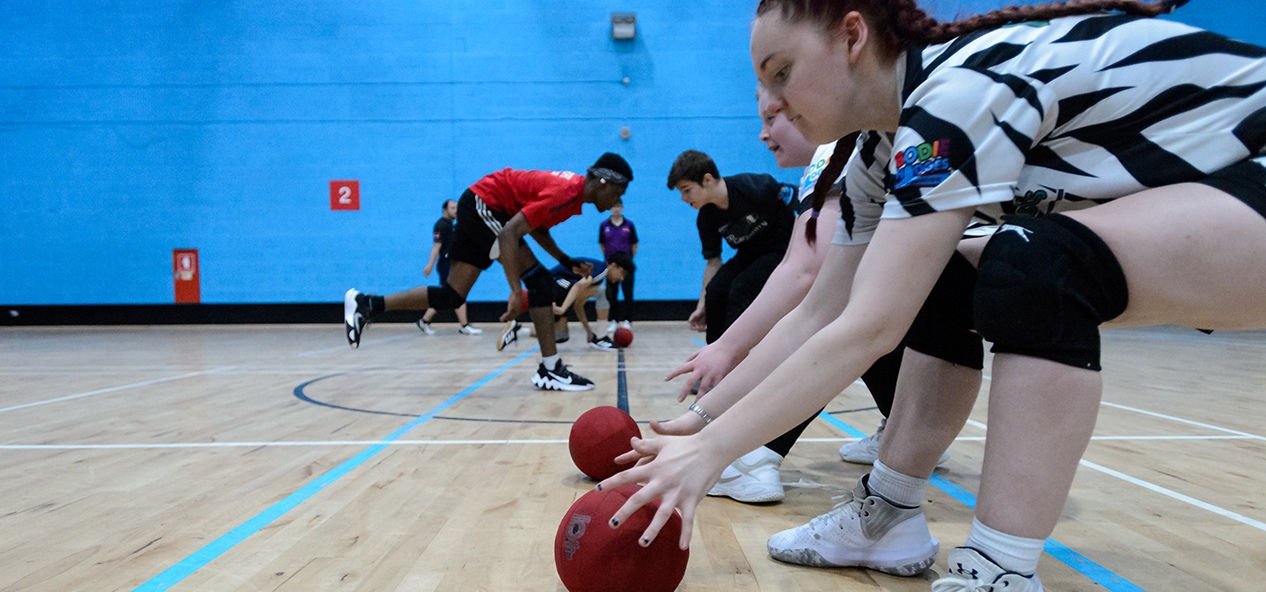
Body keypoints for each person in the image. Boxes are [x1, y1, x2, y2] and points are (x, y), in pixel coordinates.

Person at [601, 2, 1266, 590]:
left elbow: (869, 327)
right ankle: (886, 517)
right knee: (949, 272)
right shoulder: (882, 155)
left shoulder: (957, 94)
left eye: (781, 72)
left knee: (1032, 262)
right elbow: (821, 310)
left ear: (852, 36)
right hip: (1211, 216)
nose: (772, 102)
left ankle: (1000, 568)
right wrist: (704, 421)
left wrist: (712, 456)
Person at [345, 153, 633, 392]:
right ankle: (550, 369)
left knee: (452, 296)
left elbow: (536, 224)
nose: (615, 202)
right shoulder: (566, 192)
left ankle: (367, 305)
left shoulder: (574, 195)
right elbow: (510, 234)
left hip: (480, 205)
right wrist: (514, 290)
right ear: (603, 182)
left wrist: (564, 259)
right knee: (539, 282)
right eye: (617, 194)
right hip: (487, 206)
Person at [668, 150, 798, 345]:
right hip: (750, 254)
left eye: (686, 190)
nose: (683, 198)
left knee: (740, 289)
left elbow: (804, 206)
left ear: (708, 179)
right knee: (716, 291)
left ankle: (732, 357)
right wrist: (702, 306)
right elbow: (713, 262)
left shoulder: (758, 187)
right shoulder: (706, 218)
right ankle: (713, 361)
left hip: (784, 249)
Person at [498, 254, 633, 352]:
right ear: (613, 266)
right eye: (622, 273)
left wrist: (589, 332)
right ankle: (603, 337)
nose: (621, 278)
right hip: (553, 285)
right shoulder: (601, 271)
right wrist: (562, 309)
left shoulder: (596, 272)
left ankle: (517, 331)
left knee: (560, 335)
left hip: (557, 288)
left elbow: (578, 305)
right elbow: (578, 286)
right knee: (603, 291)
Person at [417, 199, 481, 336]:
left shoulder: (452, 225)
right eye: (453, 208)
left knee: (445, 295)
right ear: (444, 210)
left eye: (457, 207)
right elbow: (436, 248)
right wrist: (429, 265)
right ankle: (464, 325)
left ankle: (424, 320)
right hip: (445, 265)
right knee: (457, 293)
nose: (456, 210)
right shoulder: (441, 226)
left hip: (451, 263)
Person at [598, 200, 638, 333]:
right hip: (612, 266)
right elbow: (602, 244)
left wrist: (628, 260)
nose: (616, 209)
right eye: (613, 206)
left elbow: (634, 244)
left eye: (618, 207)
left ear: (622, 208)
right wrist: (609, 261)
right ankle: (614, 320)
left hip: (625, 265)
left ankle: (628, 320)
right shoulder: (604, 225)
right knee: (611, 295)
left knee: (628, 294)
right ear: (610, 208)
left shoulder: (629, 225)